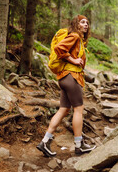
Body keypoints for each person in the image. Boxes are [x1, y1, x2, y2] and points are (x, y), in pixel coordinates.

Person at [37, 15, 96, 157]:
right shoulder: (74, 36)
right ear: (76, 24)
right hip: (71, 77)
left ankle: (45, 142)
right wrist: (74, 60)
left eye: (87, 22)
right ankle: (79, 144)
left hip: (64, 78)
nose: (86, 24)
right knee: (78, 110)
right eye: (82, 22)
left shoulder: (78, 40)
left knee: (63, 109)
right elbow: (59, 48)